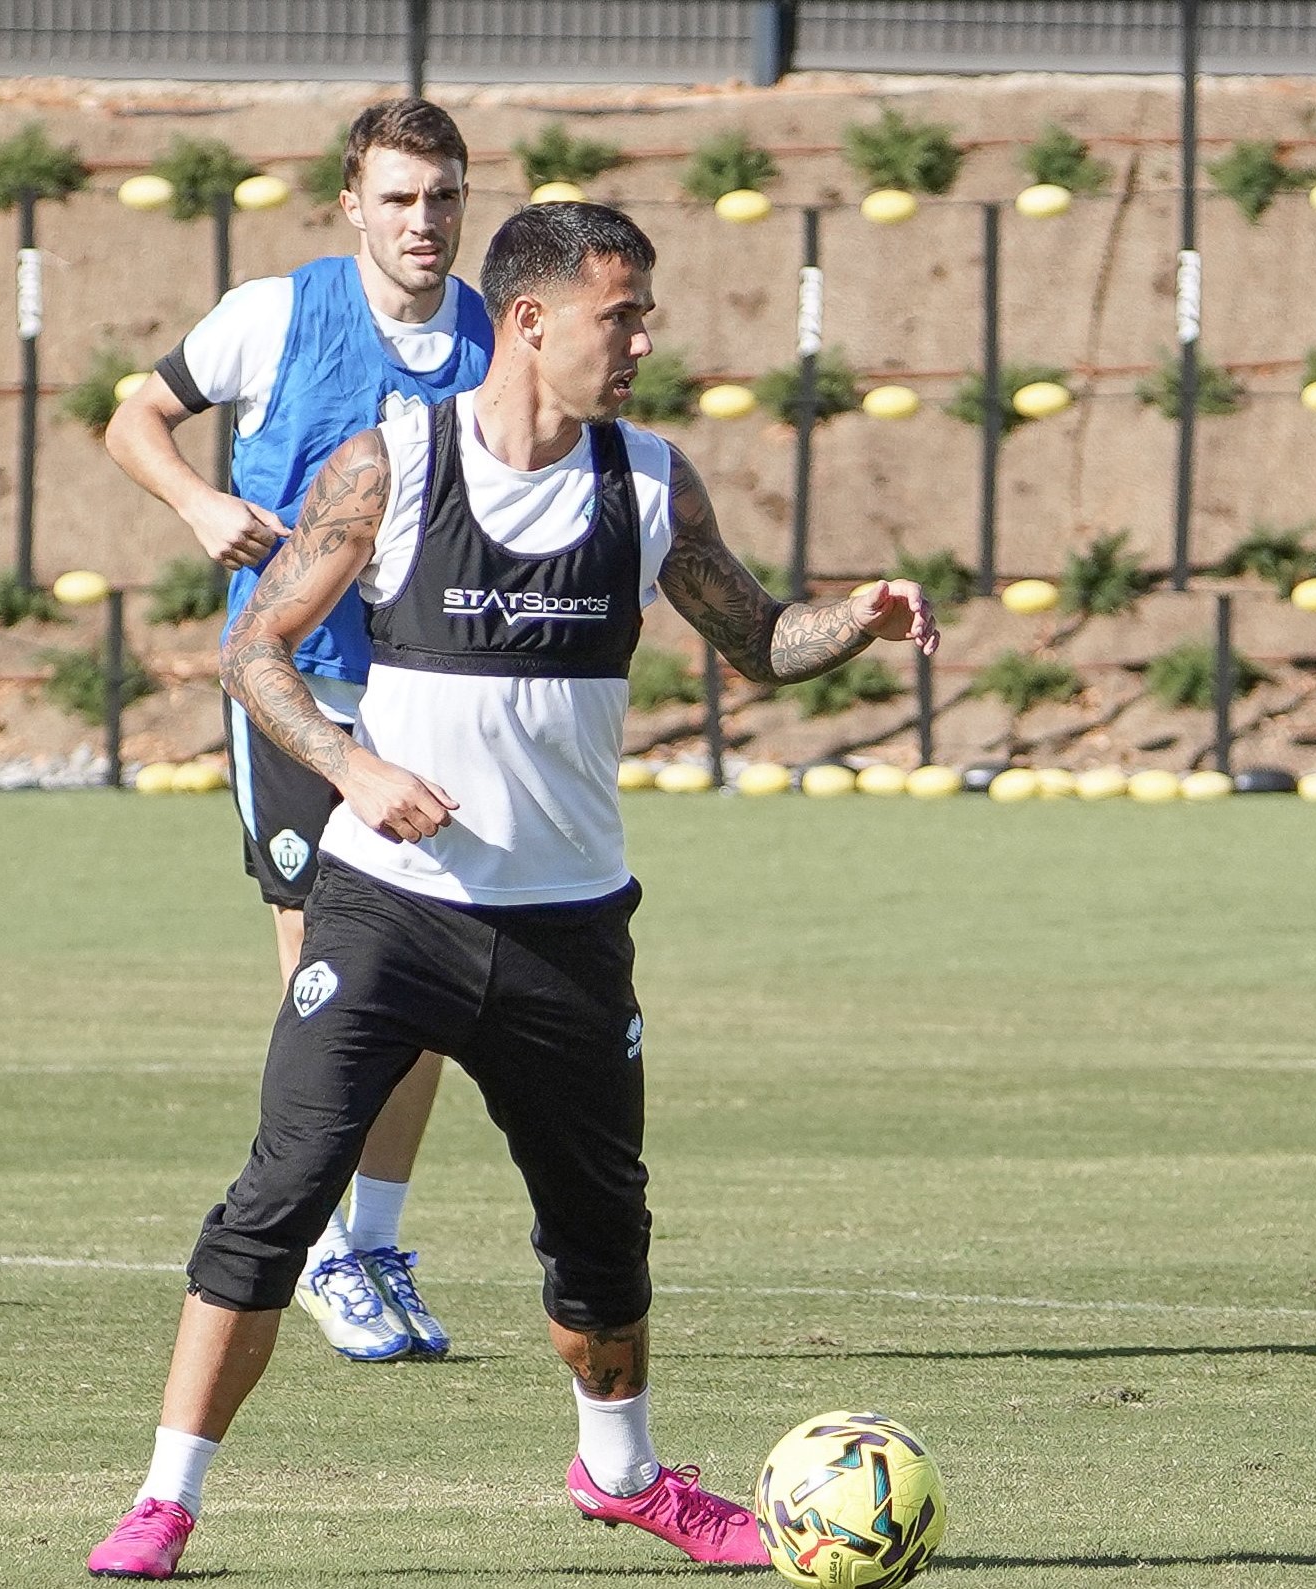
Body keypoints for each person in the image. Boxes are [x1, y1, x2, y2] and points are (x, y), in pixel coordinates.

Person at [86, 200, 939, 1580]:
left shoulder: (650, 481)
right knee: (276, 1193)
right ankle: (164, 1502)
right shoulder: (393, 464)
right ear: (531, 320)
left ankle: (622, 1477)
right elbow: (254, 654)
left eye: (643, 314)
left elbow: (759, 641)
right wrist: (350, 767)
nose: (643, 340)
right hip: (385, 913)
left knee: (600, 1235)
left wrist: (857, 616)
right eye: (622, 315)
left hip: (567, 933)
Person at [103, 98, 488, 1365]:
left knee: (427, 994)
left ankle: (369, 1242)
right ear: (350, 203)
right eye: (396, 197)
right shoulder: (273, 313)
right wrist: (198, 501)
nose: (421, 221)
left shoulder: (492, 331)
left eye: (440, 196)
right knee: (330, 985)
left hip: (426, 703)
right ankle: (319, 1249)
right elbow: (131, 416)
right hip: (294, 694)